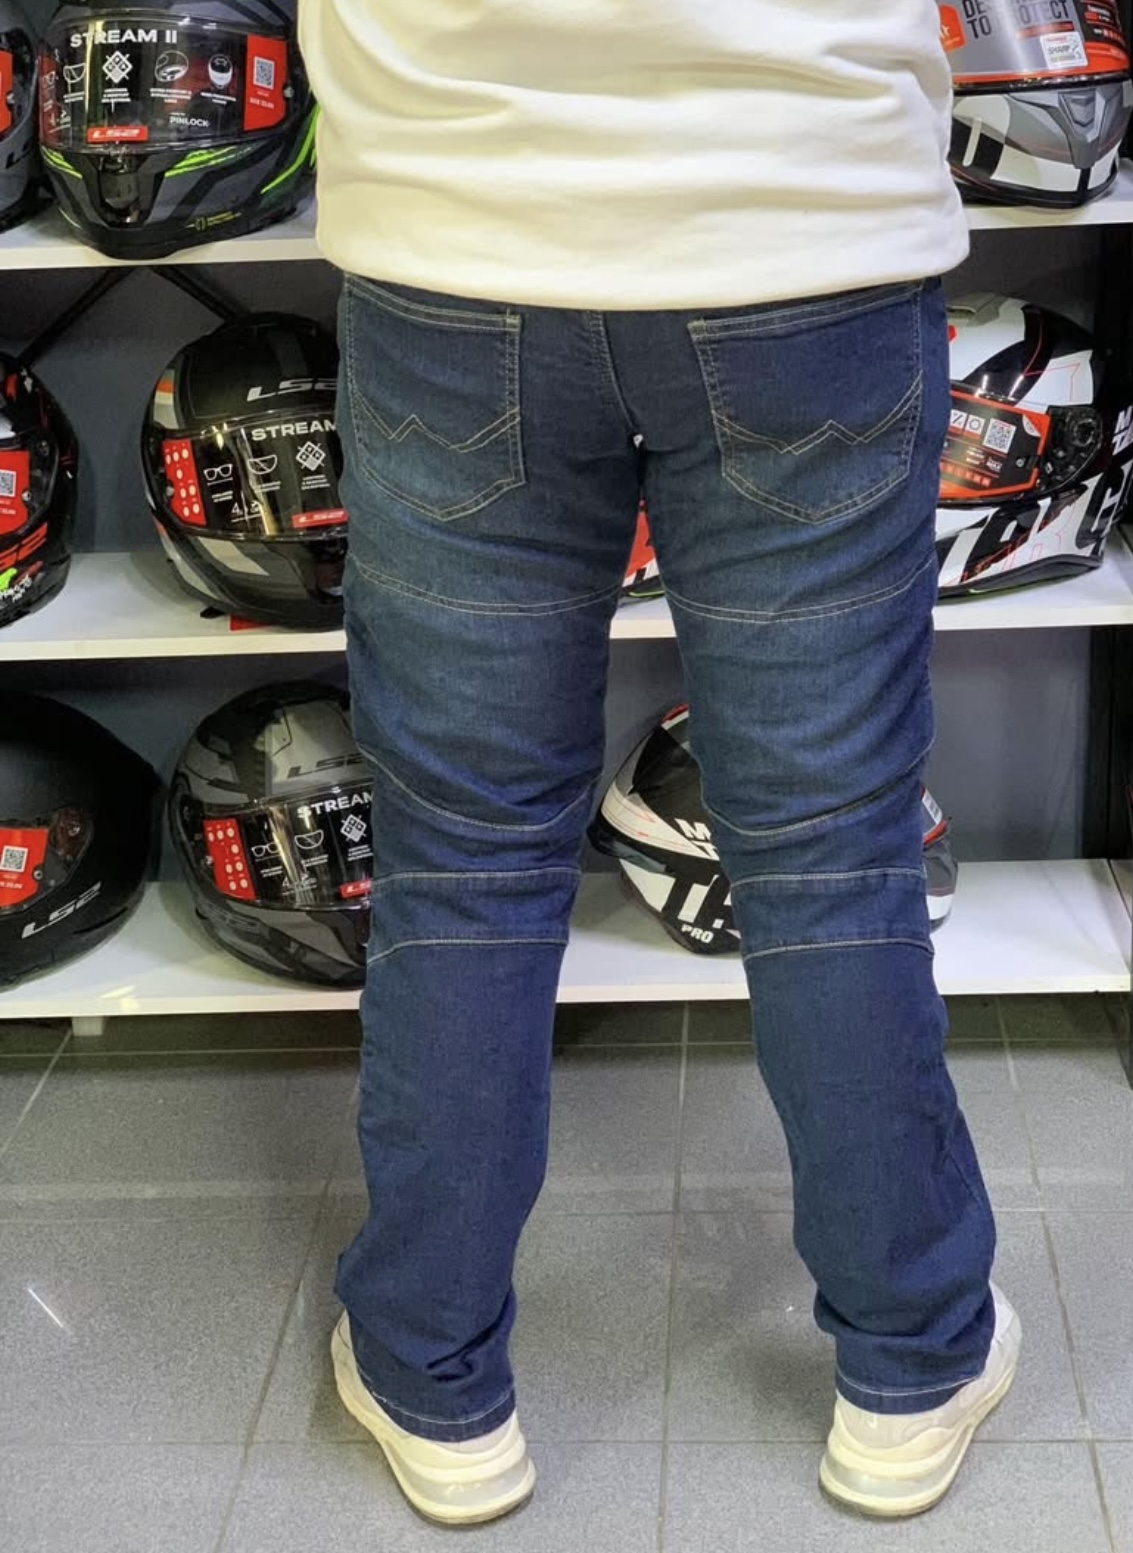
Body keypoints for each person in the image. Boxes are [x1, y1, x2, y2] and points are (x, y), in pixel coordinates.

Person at [298, 0, 1020, 1527]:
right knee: (826, 847)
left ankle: (432, 1375)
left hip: (456, 221)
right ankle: (908, 1367)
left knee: (467, 855)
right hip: (800, 216)